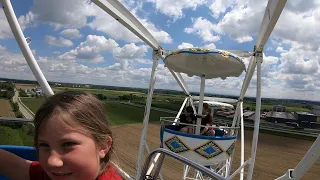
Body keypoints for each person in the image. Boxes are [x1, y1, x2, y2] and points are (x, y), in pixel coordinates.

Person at [0, 91, 123, 180]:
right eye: (44, 145)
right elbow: (16, 167)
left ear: (103, 146)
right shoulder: (57, 174)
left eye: (68, 144)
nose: (52, 161)